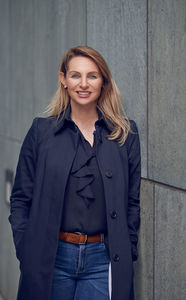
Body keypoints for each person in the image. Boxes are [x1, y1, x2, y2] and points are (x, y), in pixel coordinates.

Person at [8, 46, 141, 300]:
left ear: (103, 81)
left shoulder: (125, 135)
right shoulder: (41, 132)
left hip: (103, 262)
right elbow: (21, 199)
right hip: (51, 259)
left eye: (92, 76)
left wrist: (128, 250)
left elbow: (132, 203)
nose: (83, 83)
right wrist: (27, 251)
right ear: (63, 79)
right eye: (75, 75)